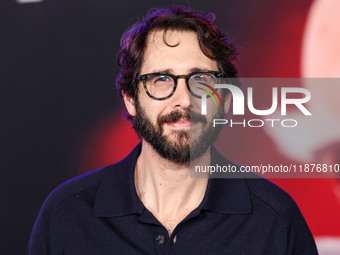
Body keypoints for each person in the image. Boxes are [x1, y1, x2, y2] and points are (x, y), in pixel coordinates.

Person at [27, 6, 318, 254]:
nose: (184, 99)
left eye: (201, 79)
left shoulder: (275, 220)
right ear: (130, 99)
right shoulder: (66, 214)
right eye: (161, 79)